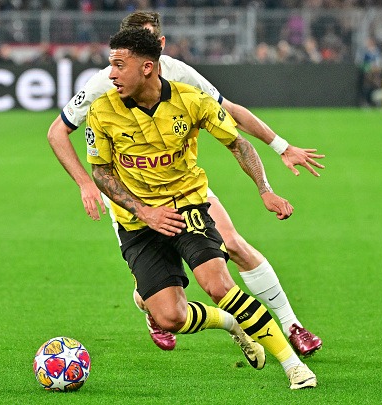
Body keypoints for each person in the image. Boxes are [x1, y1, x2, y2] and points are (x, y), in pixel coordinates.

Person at [47, 11, 324, 356]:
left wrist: (281, 147)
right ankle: (151, 304)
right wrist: (85, 183)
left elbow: (229, 112)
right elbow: (57, 132)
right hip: (132, 196)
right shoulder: (106, 82)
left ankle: (292, 325)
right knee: (157, 288)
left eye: (149, 40)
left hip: (183, 184)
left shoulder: (180, 73)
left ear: (159, 45)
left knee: (233, 244)